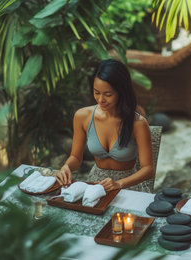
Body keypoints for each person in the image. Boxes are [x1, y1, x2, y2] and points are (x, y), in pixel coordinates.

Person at [55, 59, 154, 192]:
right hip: (95, 183)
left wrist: (119, 184)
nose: (101, 99)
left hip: (128, 185)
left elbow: (148, 169)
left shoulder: (138, 123)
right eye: (97, 92)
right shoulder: (82, 116)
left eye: (108, 94)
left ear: (121, 92)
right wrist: (66, 166)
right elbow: (76, 157)